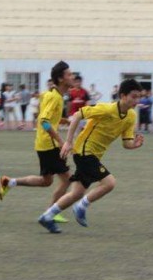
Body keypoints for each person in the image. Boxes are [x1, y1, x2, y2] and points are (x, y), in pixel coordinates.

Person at [36, 79, 144, 234]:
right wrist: (68, 141)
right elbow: (78, 115)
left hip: (93, 155)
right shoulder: (106, 109)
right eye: (133, 97)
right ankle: (82, 206)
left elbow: (126, 143)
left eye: (139, 97)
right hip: (84, 151)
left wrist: (135, 144)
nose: (137, 100)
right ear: (122, 95)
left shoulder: (131, 116)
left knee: (77, 193)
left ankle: (47, 216)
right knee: (109, 183)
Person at [0, 61, 75, 224]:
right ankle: (51, 212)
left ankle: (9, 182)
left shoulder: (52, 94)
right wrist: (61, 141)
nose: (72, 76)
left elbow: (46, 118)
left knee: (46, 181)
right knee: (67, 179)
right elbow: (45, 123)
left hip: (44, 144)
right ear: (61, 79)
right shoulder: (54, 97)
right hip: (50, 145)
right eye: (69, 74)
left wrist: (64, 120)